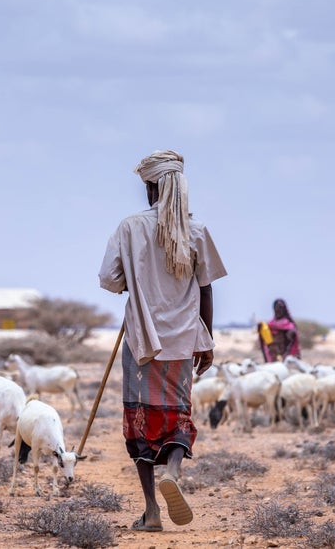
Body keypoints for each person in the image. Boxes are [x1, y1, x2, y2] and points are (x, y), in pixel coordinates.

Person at [99, 150, 227, 532]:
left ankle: (152, 510)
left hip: (141, 340)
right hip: (183, 341)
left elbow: (109, 280)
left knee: (140, 420)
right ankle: (172, 469)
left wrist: (135, 283)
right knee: (177, 414)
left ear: (151, 188)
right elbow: (205, 291)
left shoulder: (129, 228)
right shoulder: (197, 230)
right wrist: (207, 339)